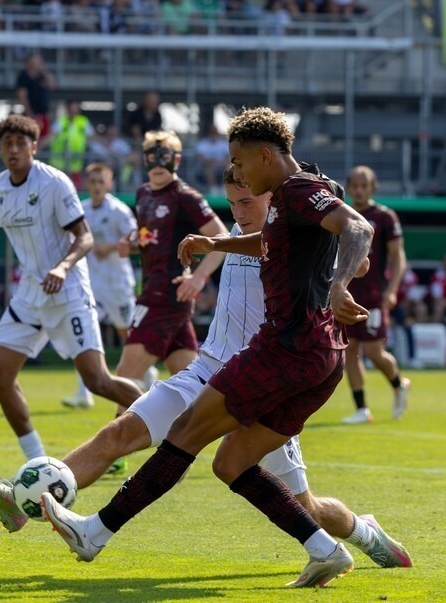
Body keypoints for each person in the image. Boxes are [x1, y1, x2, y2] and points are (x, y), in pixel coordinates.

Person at [0, 166, 412, 575]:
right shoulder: (240, 237)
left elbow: (360, 257)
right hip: (208, 370)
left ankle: (364, 532)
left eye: (245, 203)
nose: (237, 214)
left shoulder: (296, 243)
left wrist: (340, 272)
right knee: (117, 434)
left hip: (264, 385)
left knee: (305, 505)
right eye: (232, 204)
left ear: (274, 199)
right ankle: (23, 500)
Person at [42, 106, 375, 588]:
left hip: (285, 348)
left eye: (239, 162)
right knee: (231, 462)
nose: (235, 173)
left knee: (186, 430)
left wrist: (341, 282)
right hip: (322, 356)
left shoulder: (299, 190)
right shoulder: (292, 194)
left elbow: (359, 229)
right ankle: (325, 550)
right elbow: (275, 243)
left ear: (265, 155)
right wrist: (215, 244)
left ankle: (95, 532)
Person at [0, 115, 144, 460]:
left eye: (21, 143)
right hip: (30, 295)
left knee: (98, 382)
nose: (13, 149)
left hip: (68, 292)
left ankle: (168, 421)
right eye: (7, 143)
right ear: (0, 148)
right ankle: (37, 460)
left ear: (34, 147)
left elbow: (84, 237)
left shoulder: (54, 182)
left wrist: (62, 267)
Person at [114, 130, 227, 402]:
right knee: (192, 385)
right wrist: (132, 244)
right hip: (156, 291)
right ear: (144, 160)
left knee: (126, 374)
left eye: (164, 157)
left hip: (166, 294)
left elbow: (222, 237)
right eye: (151, 157)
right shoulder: (143, 194)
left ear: (175, 161)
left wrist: (198, 278)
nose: (157, 164)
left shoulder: (184, 196)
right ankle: (210, 432)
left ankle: (120, 440)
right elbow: (153, 238)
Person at [62, 162, 141, 409]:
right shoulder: (81, 210)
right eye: (92, 182)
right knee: (84, 333)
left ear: (109, 184)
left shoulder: (118, 210)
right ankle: (83, 392)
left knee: (126, 333)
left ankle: (143, 373)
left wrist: (112, 246)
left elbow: (136, 238)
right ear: (87, 184)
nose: (96, 187)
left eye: (101, 182)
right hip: (90, 283)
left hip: (117, 283)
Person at [340, 165, 410, 424]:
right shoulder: (342, 215)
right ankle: (361, 409)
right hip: (347, 293)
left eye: (363, 186)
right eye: (354, 186)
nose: (358, 191)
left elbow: (397, 256)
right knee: (350, 351)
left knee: (374, 350)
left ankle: (398, 383)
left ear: (372, 188)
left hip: (374, 295)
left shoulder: (384, 217)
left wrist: (392, 290)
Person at [48, 99, 92, 187]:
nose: (73, 111)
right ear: (68, 110)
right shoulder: (61, 121)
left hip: (76, 164)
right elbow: (50, 136)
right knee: (58, 188)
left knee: (76, 189)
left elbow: (93, 137)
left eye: (75, 108)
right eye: (71, 109)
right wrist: (38, 146)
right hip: (58, 164)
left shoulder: (83, 121)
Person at [15, 53, 55, 142]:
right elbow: (22, 96)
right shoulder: (23, 76)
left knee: (44, 138)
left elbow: (52, 86)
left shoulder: (41, 76)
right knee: (29, 138)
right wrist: (30, 114)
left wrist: (45, 72)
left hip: (43, 115)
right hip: (31, 115)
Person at [193, 122, 228, 194]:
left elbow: (228, 157)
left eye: (215, 131)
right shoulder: (202, 143)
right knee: (208, 166)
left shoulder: (223, 144)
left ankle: (224, 188)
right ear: (209, 132)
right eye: (212, 131)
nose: (214, 133)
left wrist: (223, 162)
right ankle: (213, 189)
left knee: (228, 166)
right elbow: (200, 157)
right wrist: (213, 161)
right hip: (204, 171)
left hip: (220, 168)